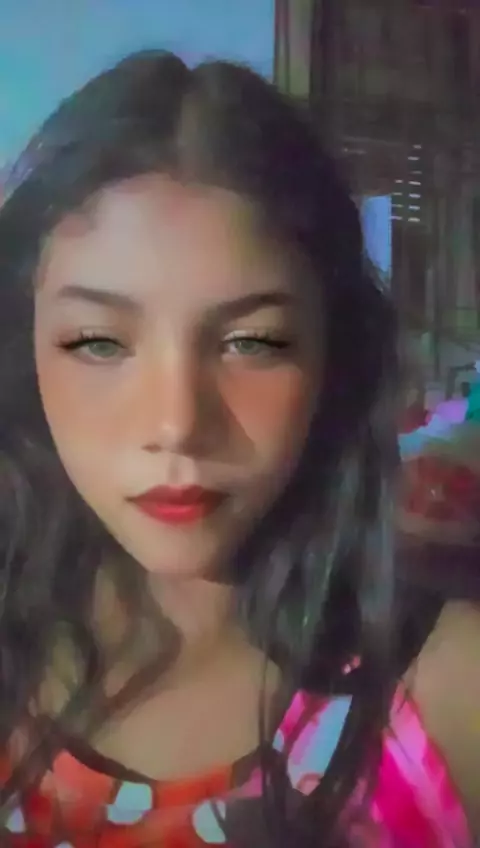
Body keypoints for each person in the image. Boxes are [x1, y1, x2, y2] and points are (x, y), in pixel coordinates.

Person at [0, 50, 477, 847]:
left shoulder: (448, 694)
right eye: (99, 342)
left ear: (334, 359)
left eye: (251, 342)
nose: (177, 423)